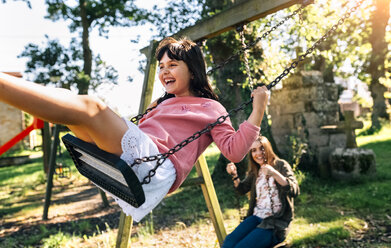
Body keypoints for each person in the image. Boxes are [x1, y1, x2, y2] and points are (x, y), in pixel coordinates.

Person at [0, 37, 269, 222]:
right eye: (161, 66)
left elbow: (234, 152)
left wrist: (258, 109)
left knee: (91, 106)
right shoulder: (163, 102)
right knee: (68, 100)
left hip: (155, 165)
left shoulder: (211, 108)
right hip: (140, 154)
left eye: (173, 65)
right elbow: (140, 128)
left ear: (194, 70)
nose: (165, 71)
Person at [223, 136, 299, 248]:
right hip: (256, 217)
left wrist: (274, 173)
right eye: (254, 150)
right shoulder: (256, 171)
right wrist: (234, 175)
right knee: (229, 242)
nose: (258, 153)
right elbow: (242, 189)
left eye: (261, 148)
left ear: (268, 148)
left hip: (275, 222)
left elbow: (295, 190)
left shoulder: (280, 165)